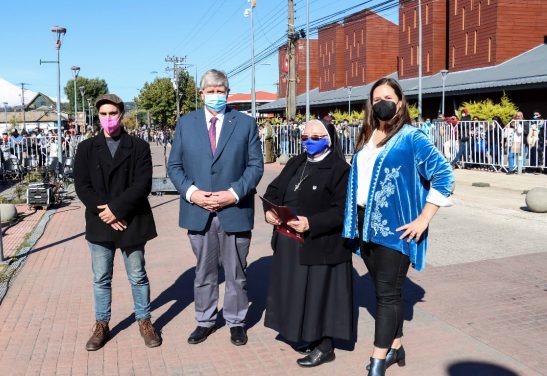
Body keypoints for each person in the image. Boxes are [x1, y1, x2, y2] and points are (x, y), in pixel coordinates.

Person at [342, 78, 454, 376]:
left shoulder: (411, 138)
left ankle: (378, 361)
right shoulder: (367, 135)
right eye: (376, 97)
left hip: (397, 228)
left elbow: (444, 175)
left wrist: (423, 219)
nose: (382, 102)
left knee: (387, 294)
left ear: (400, 102)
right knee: (386, 292)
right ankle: (396, 346)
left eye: (388, 96)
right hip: (365, 224)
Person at [168, 69, 263, 346]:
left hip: (234, 209)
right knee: (204, 272)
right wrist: (193, 193)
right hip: (198, 211)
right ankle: (205, 320)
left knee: (236, 273)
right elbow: (175, 166)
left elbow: (255, 165)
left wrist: (233, 194)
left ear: (228, 93)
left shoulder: (244, 124)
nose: (216, 96)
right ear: (201, 94)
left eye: (221, 91)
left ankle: (236, 321)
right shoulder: (186, 124)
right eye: (210, 91)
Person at [73, 93, 162, 351]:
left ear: (121, 114)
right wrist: (107, 213)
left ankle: (144, 321)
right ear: (98, 116)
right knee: (101, 278)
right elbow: (82, 186)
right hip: (100, 222)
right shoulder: (86, 148)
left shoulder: (139, 147)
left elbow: (142, 184)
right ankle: (102, 324)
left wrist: (117, 210)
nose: (108, 118)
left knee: (137, 275)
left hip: (131, 219)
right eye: (103, 114)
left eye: (113, 113)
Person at [263, 119, 352, 368]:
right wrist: (269, 211)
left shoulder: (339, 169)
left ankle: (325, 346)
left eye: (316, 137)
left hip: (320, 243)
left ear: (329, 139)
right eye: (305, 137)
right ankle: (305, 335)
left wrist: (311, 222)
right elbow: (272, 191)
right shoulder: (295, 163)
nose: (309, 142)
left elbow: (344, 210)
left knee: (319, 296)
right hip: (288, 240)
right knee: (296, 291)